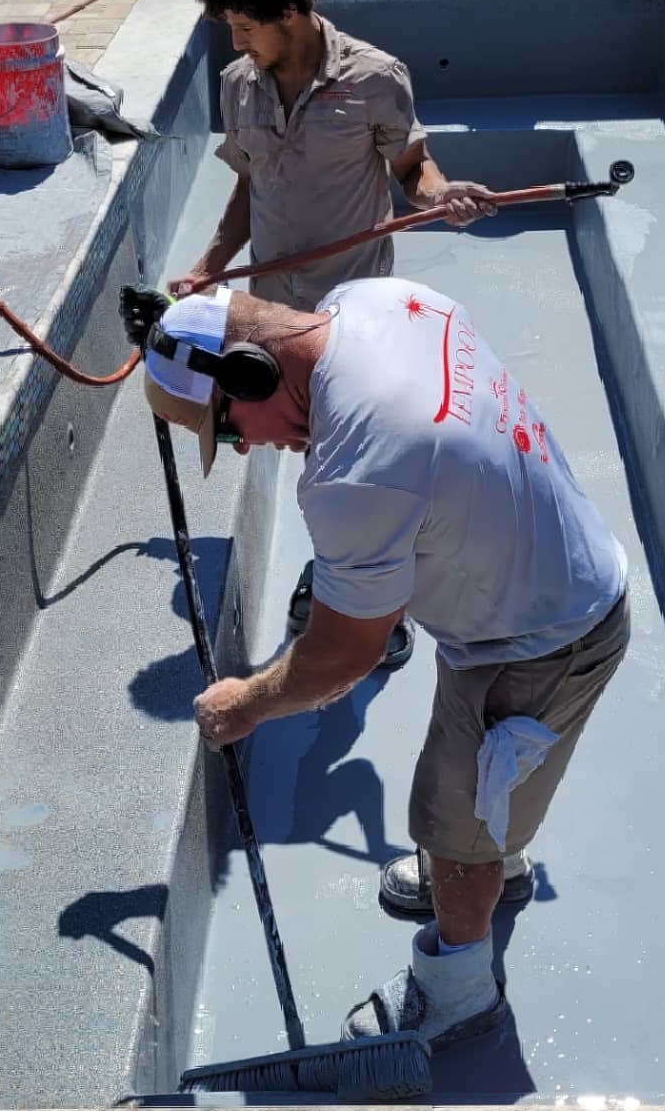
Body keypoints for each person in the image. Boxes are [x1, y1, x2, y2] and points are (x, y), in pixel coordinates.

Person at [142, 276, 630, 1052]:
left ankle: (459, 993)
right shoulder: (378, 299)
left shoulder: (357, 470)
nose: (251, 449)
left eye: (232, 431)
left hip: (542, 640)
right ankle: (491, 865)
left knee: (454, 819)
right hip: (547, 573)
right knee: (476, 791)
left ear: (251, 375)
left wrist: (247, 703)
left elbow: (344, 653)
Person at [168, 0, 496, 672]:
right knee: (320, 461)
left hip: (354, 318)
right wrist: (212, 263)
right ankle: (344, 585)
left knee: (370, 469)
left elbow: (414, 170)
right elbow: (250, 185)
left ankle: (375, 611)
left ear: (288, 12)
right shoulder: (238, 83)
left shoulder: (377, 78)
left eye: (247, 29)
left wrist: (442, 195)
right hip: (275, 318)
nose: (237, 44)